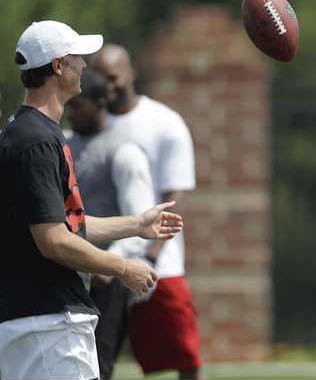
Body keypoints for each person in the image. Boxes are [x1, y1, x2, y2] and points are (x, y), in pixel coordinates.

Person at [0, 20, 183, 380]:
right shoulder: (35, 140)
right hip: (48, 326)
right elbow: (54, 241)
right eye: (78, 57)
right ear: (57, 66)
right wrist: (122, 268)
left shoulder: (29, 133)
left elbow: (65, 224)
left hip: (38, 324)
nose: (85, 65)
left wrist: (136, 225)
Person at [92, 44, 202, 379]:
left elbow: (174, 196)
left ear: (131, 73)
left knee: (185, 361)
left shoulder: (164, 122)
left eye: (112, 77)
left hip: (158, 267)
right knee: (98, 363)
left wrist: (151, 258)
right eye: (100, 78)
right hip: (105, 265)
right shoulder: (93, 121)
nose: (107, 86)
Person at [66, 69, 157, 380]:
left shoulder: (124, 151)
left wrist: (111, 263)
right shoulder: (63, 143)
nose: (71, 112)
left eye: (79, 105)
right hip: (69, 272)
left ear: (101, 102)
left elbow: (142, 220)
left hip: (107, 281)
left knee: (98, 366)